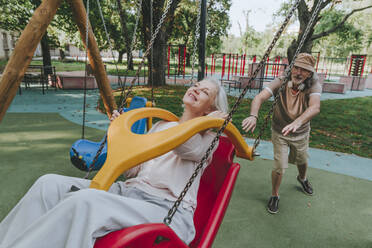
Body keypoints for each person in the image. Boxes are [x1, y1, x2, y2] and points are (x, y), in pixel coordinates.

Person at [0, 77, 228, 248]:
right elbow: (133, 171)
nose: (196, 89)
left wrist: (206, 123)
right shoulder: (160, 126)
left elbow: (185, 146)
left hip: (165, 209)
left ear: (210, 109)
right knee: (48, 184)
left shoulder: (208, 139)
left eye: (205, 91)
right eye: (196, 85)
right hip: (128, 193)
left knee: (85, 201)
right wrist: (119, 135)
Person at [241, 53, 321, 214]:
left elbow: (315, 107)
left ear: (310, 73)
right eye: (296, 68)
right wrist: (253, 115)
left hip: (301, 132)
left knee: (302, 159)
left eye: (304, 70)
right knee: (279, 167)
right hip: (280, 132)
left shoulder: (314, 86)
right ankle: (275, 195)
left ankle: (302, 178)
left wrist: (298, 122)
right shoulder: (282, 80)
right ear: (291, 68)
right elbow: (259, 98)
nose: (298, 72)